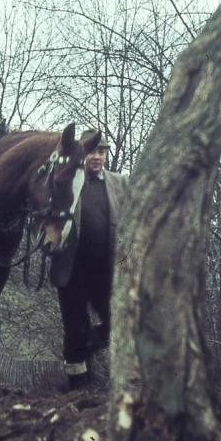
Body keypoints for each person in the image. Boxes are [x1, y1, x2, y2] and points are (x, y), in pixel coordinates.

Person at [50, 129, 129, 390]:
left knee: (115, 322)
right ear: (81, 154)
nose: (96, 156)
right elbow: (46, 215)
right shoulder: (66, 179)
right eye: (91, 151)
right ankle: (77, 389)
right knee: (74, 329)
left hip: (106, 270)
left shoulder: (120, 183)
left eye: (101, 151)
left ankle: (88, 343)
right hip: (72, 269)